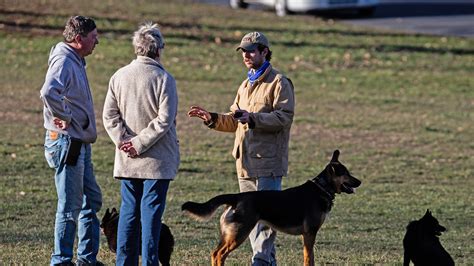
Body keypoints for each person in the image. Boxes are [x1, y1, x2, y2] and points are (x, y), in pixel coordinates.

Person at [188, 31, 295, 266]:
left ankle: (261, 261)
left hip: (268, 163)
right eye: (243, 51)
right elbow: (235, 120)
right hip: (244, 163)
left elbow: (284, 118)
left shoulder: (279, 82)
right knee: (250, 218)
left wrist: (254, 118)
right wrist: (212, 118)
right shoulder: (245, 84)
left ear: (264, 52)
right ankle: (265, 261)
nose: (246, 55)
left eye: (251, 50)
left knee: (267, 219)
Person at [102, 22, 180, 266]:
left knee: (128, 213)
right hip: (156, 161)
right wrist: (139, 143)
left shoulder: (118, 76)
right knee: (151, 215)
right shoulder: (164, 78)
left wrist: (124, 141)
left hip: (127, 159)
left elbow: (109, 116)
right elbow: (165, 120)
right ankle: (149, 262)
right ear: (158, 50)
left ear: (137, 48)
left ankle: (124, 262)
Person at [40, 16, 102, 266]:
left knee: (92, 200)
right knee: (69, 207)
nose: (97, 40)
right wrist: (63, 116)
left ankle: (86, 260)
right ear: (78, 39)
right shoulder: (65, 60)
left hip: (79, 142)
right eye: (93, 36)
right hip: (68, 143)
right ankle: (61, 261)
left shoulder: (74, 59)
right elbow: (48, 91)